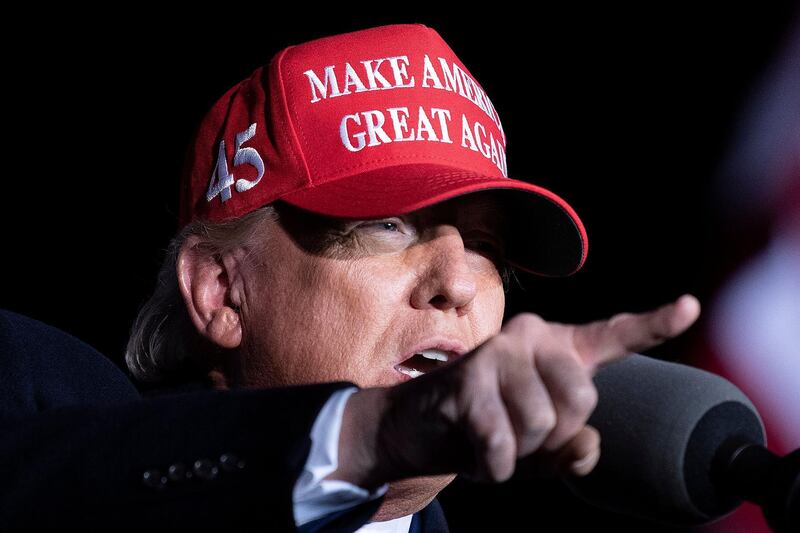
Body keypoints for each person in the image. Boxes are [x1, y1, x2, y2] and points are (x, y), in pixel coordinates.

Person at [0, 23, 700, 532]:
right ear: (220, 289)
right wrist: (373, 434)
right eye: (388, 224)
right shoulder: (38, 393)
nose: (457, 282)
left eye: (486, 243)